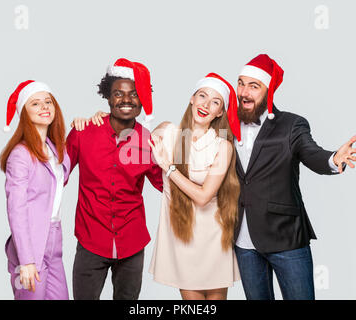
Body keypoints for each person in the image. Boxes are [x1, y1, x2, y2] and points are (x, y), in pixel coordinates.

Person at [81, 73, 242, 300]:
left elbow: (204, 196)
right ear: (192, 99)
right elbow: (127, 135)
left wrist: (168, 167)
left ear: (220, 112)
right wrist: (101, 117)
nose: (206, 104)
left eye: (215, 102)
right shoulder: (167, 133)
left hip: (214, 236)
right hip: (182, 233)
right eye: (202, 96)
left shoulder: (222, 146)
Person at [231, 54, 356, 300]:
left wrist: (333, 159)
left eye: (254, 86)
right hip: (243, 240)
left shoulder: (292, 124)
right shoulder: (228, 124)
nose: (244, 92)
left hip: (286, 238)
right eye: (241, 83)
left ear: (269, 90)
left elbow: (311, 153)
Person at [66, 58, 163, 300]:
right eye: (118, 94)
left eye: (133, 94)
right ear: (108, 98)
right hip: (91, 241)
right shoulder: (83, 132)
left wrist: (169, 154)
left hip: (132, 241)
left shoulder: (148, 141)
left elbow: (167, 186)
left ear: (142, 100)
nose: (126, 100)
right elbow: (55, 176)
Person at [0, 80, 70, 300]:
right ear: (24, 112)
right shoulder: (20, 154)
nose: (44, 107)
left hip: (54, 238)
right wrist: (26, 260)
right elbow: (16, 210)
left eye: (48, 102)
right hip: (29, 244)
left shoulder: (55, 148)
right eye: (36, 104)